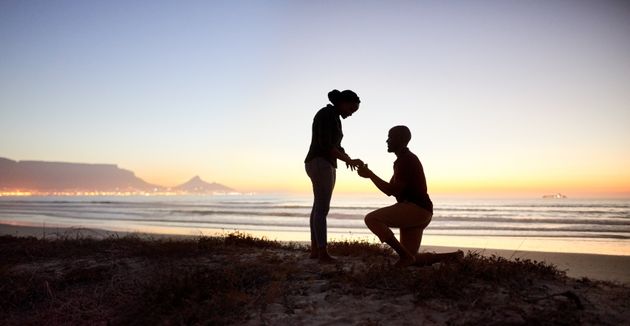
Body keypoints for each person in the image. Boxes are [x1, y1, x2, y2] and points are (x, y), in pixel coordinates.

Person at [357, 126, 463, 267]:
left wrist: (370, 174)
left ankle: (405, 256)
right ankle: (452, 256)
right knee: (412, 258)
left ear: (400, 140)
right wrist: (370, 175)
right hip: (423, 212)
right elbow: (390, 190)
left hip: (415, 209)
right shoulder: (404, 160)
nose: (387, 141)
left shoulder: (405, 160)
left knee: (371, 219)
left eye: (390, 137)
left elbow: (391, 190)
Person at [305, 89, 364, 263]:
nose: (351, 114)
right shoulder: (327, 114)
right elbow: (326, 145)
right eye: (351, 109)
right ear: (343, 103)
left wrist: (348, 158)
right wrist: (348, 159)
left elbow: (336, 145)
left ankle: (316, 250)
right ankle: (322, 252)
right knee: (322, 209)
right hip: (320, 162)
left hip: (323, 163)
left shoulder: (333, 117)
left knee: (318, 207)